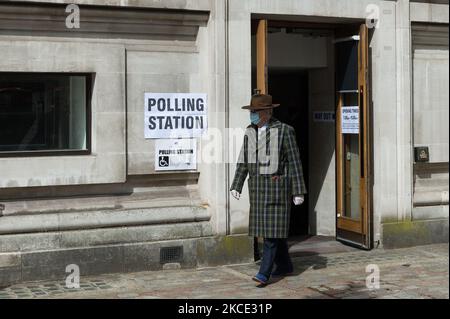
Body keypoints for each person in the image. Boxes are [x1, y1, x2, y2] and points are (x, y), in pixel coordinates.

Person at [230, 91, 307, 286]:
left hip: (276, 189)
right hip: (257, 190)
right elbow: (243, 160)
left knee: (271, 234)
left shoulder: (284, 130)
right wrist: (236, 184)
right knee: (272, 232)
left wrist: (298, 190)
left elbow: (294, 161)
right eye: (251, 111)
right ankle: (284, 265)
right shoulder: (250, 131)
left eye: (256, 111)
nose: (253, 114)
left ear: (268, 112)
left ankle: (264, 273)